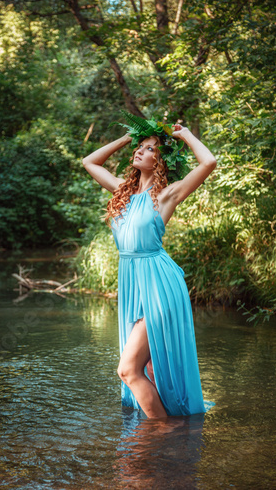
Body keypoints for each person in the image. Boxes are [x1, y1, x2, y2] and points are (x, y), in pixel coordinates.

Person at [83, 116, 216, 419]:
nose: (140, 151)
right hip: (132, 283)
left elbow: (208, 162)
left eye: (150, 149)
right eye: (140, 147)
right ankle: (167, 439)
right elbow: (89, 162)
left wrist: (184, 135)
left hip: (159, 285)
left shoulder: (167, 195)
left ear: (161, 161)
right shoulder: (123, 192)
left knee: (128, 369)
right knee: (147, 369)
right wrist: (127, 139)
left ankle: (163, 433)